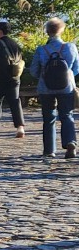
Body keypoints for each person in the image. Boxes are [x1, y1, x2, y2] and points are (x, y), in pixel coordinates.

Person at [29, 18, 79, 158]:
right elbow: (76, 68)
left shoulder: (41, 50)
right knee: (67, 115)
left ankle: (49, 150)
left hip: (45, 88)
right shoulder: (70, 47)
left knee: (49, 118)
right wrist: (67, 76)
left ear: (47, 31)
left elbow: (33, 71)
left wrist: (44, 76)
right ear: (61, 30)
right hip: (66, 87)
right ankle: (70, 142)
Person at [0, 19, 27, 138]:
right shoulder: (15, 45)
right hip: (14, 77)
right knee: (15, 101)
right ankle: (20, 127)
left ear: (0, 31)